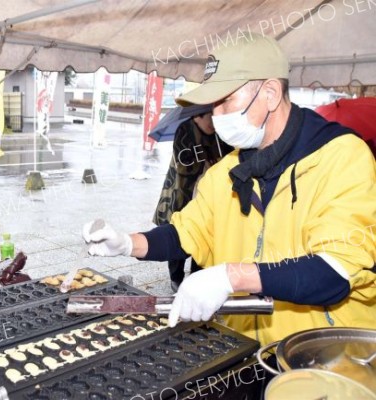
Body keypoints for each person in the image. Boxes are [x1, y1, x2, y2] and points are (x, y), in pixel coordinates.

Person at [83, 33, 376, 346]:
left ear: (270, 93)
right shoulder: (226, 172)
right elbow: (187, 234)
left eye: (227, 101)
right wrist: (128, 243)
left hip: (321, 356)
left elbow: (333, 271)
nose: (216, 115)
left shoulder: (342, 158)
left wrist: (230, 276)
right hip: (243, 346)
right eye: (212, 105)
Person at [153, 108, 232, 291]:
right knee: (180, 235)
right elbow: (184, 164)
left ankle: (197, 278)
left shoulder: (221, 133)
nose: (214, 124)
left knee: (204, 238)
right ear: (198, 116)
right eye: (210, 120)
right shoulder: (185, 130)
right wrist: (211, 162)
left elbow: (231, 158)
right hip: (183, 192)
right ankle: (176, 278)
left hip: (210, 197)